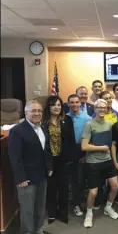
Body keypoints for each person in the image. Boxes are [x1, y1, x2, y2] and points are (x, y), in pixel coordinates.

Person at [8, 100, 53, 234]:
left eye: (39, 111)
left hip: (42, 175)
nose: (37, 113)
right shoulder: (17, 131)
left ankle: (38, 230)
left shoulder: (43, 128)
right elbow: (15, 157)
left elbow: (46, 150)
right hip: (26, 179)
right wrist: (20, 178)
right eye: (33, 111)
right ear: (26, 113)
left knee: (40, 207)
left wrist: (49, 167)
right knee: (27, 210)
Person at [82, 99, 118, 228]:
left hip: (107, 161)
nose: (102, 109)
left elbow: (111, 143)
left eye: (104, 107)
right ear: (95, 109)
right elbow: (84, 146)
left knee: (115, 186)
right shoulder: (89, 125)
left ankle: (108, 207)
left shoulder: (109, 124)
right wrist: (101, 148)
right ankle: (89, 213)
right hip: (93, 163)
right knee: (93, 193)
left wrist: (107, 148)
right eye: (99, 107)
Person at [43, 95, 76, 224]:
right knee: (50, 187)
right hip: (48, 159)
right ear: (48, 107)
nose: (56, 107)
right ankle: (51, 212)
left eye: (59, 105)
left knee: (63, 188)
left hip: (63, 159)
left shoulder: (66, 119)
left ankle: (63, 212)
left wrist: (71, 157)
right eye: (54, 105)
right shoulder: (43, 121)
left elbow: (71, 140)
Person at [66, 94, 92, 217]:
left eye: (77, 102)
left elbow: (90, 138)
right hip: (68, 152)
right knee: (70, 180)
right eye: (72, 102)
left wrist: (86, 155)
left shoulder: (87, 118)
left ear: (80, 104)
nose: (74, 105)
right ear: (68, 104)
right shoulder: (64, 118)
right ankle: (72, 202)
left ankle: (78, 203)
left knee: (80, 179)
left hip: (82, 150)